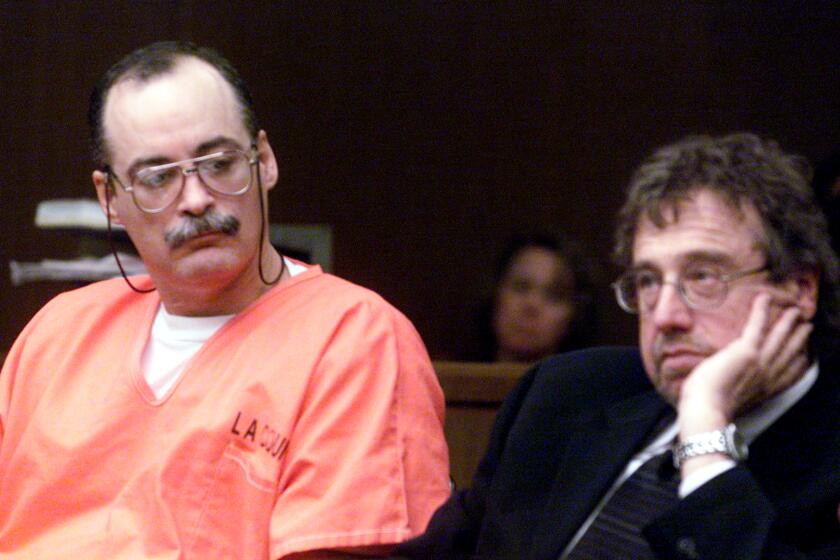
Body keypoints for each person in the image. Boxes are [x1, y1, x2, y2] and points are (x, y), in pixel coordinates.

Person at [0, 41, 450, 559]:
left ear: (266, 161)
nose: (194, 199)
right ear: (111, 199)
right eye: (157, 177)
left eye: (219, 163)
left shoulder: (355, 338)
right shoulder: (59, 332)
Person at [394, 133, 840, 559]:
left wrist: (705, 438)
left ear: (800, 288)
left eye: (702, 277)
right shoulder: (566, 394)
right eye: (648, 281)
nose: (664, 315)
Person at [477, 231, 598, 363]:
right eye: (521, 287)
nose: (532, 304)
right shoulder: (453, 379)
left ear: (575, 315)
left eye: (553, 296)